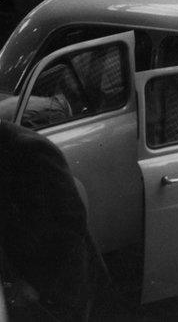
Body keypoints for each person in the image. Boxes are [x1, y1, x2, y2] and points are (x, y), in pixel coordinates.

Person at [0, 120, 105, 321]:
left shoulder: (28, 148)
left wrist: (35, 283)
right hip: (23, 277)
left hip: (58, 283)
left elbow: (71, 221)